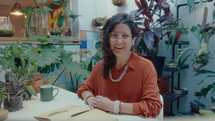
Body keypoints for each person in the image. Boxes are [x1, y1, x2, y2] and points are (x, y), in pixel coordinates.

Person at [77, 13, 162, 118]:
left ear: (133, 40)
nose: (119, 41)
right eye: (114, 35)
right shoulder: (101, 66)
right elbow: (84, 88)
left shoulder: (145, 67)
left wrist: (114, 106)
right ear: (108, 39)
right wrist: (90, 99)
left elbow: (153, 106)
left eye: (125, 36)